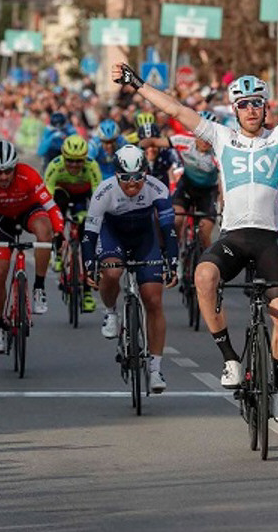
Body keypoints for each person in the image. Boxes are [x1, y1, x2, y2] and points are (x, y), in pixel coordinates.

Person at [111, 51, 278, 423]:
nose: (251, 110)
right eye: (244, 105)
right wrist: (136, 83)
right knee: (203, 276)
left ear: (265, 108)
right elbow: (175, 108)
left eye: (257, 103)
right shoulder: (220, 137)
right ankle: (230, 359)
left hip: (269, 238)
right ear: (235, 110)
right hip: (234, 238)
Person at [82, 145, 178, 392]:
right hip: (113, 235)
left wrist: (172, 260)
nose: (132, 183)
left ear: (146, 172)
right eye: (126, 177)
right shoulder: (104, 191)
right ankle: (111, 312)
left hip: (144, 239)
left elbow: (168, 229)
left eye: (138, 176)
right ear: (116, 175)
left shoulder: (157, 188)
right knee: (112, 272)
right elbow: (89, 234)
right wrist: (89, 264)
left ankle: (155, 369)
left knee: (153, 299)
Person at [0, 140, 64, 353]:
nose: (3, 177)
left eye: (8, 171)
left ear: (16, 167)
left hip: (29, 212)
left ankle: (39, 287)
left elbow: (51, 206)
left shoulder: (28, 174)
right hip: (2, 220)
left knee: (45, 231)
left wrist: (59, 232)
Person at [44, 134, 102, 312]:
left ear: (85, 159)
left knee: (87, 242)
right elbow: (46, 198)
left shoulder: (92, 166)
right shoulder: (55, 166)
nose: (74, 165)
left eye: (79, 161)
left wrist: (91, 217)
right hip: (62, 195)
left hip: (83, 199)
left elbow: (98, 197)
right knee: (57, 206)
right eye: (70, 160)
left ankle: (87, 294)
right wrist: (54, 222)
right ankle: (58, 252)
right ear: (63, 157)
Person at [148, 110, 220, 249]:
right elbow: (155, 142)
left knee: (204, 232)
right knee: (176, 220)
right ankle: (173, 252)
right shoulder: (184, 140)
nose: (205, 140)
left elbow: (223, 181)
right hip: (187, 186)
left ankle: (205, 259)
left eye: (209, 136)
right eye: (201, 135)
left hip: (208, 192)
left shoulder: (219, 151)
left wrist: (224, 201)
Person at [137, 122, 177, 189]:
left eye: (153, 144)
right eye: (146, 145)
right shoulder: (135, 159)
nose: (150, 149)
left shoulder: (169, 155)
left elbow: (175, 186)